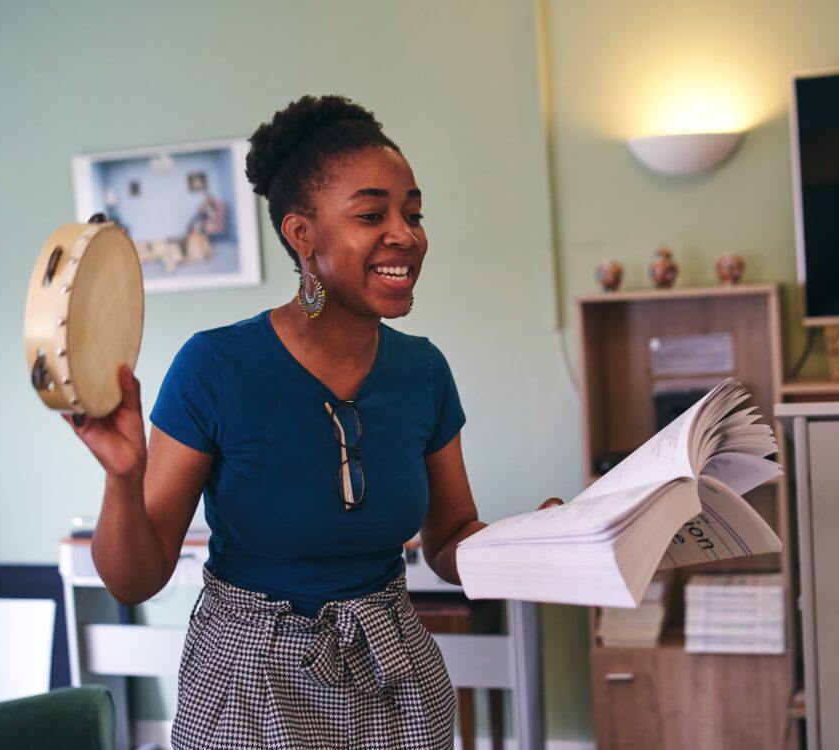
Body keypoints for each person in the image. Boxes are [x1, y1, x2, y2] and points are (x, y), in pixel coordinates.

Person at [67, 94, 560, 750]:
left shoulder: (424, 372)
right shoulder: (215, 367)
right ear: (303, 235)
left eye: (413, 213)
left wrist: (535, 545)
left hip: (396, 676)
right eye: (371, 214)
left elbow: (447, 542)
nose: (406, 235)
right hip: (248, 685)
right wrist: (123, 479)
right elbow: (137, 577)